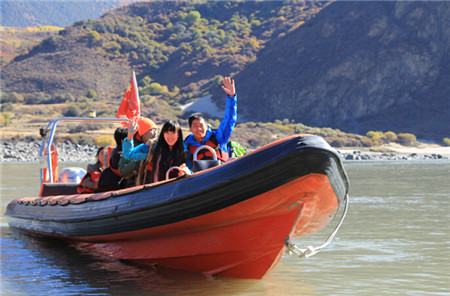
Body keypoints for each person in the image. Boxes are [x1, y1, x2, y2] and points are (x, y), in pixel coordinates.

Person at [184, 76, 237, 171]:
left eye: (201, 126)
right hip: (201, 180)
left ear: (207, 126)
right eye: (195, 126)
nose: (199, 129)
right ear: (190, 129)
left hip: (222, 172)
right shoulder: (186, 145)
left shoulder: (219, 137)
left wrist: (231, 98)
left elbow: (229, 120)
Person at [124, 119, 190, 184]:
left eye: (173, 133)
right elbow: (128, 155)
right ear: (162, 134)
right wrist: (130, 136)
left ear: (178, 135)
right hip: (155, 189)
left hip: (178, 189)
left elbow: (191, 169)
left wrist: (187, 172)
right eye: (167, 133)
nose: (170, 136)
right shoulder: (153, 147)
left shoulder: (184, 151)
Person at [122, 117, 159, 185]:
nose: (155, 133)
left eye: (156, 130)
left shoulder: (161, 142)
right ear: (143, 134)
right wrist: (130, 136)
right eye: (152, 130)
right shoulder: (145, 147)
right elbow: (128, 155)